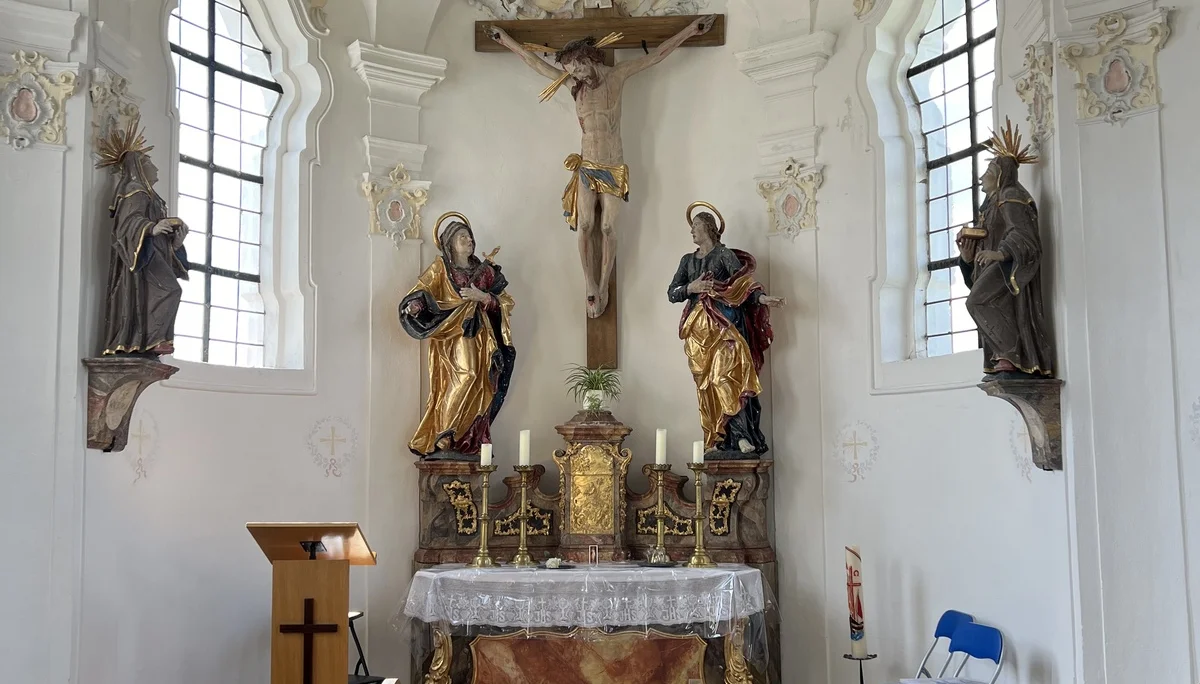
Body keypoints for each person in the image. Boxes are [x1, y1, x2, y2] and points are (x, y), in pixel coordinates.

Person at [486, 15, 716, 318]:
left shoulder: (617, 75)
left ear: (590, 59)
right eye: (571, 71)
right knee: (584, 225)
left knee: (607, 226)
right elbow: (535, 62)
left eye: (579, 67)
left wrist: (689, 31)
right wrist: (506, 40)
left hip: (613, 164)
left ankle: (604, 283)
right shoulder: (574, 85)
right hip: (587, 164)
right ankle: (590, 283)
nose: (576, 74)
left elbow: (657, 55)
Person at [668, 205, 783, 457]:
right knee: (707, 385)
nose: (692, 230)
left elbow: (743, 285)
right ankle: (716, 437)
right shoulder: (687, 261)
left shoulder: (724, 255)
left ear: (708, 228)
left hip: (725, 326)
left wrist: (762, 299)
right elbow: (672, 293)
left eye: (696, 226)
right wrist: (692, 287)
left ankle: (741, 436)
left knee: (728, 377)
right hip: (698, 334)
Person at [400, 214, 516, 459]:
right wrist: (414, 307)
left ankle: (466, 439)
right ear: (450, 243)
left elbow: (506, 302)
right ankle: (445, 433)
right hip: (454, 334)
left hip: (482, 336)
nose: (469, 240)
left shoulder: (485, 272)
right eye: (462, 237)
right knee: (466, 376)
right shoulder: (441, 268)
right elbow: (423, 294)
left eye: (470, 236)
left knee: (483, 382)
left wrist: (483, 297)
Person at [955, 119, 1055, 380]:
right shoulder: (990, 206)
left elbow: (1023, 233)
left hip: (1006, 263)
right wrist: (967, 259)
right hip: (995, 264)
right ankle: (1006, 355)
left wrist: (1000, 253)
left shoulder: (1011, 196)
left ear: (1000, 174)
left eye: (986, 173)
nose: (981, 178)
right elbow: (987, 240)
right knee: (979, 301)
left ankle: (1012, 353)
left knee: (976, 301)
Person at [97, 117, 189, 357]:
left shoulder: (153, 198)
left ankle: (154, 339)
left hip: (154, 255)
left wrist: (175, 243)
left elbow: (158, 233)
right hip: (139, 263)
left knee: (171, 290)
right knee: (170, 290)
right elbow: (127, 225)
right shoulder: (134, 192)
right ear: (138, 168)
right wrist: (151, 228)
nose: (156, 169)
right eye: (150, 164)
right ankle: (145, 338)